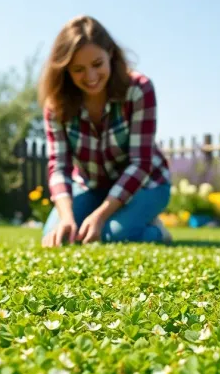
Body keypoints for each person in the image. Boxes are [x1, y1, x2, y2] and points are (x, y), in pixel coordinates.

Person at [38, 15, 172, 247]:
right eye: (78, 69)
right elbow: (59, 167)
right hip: (91, 186)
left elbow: (140, 163)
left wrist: (100, 216)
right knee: (57, 234)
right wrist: (67, 218)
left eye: (97, 64)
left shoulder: (139, 90)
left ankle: (157, 232)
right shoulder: (56, 105)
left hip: (148, 184)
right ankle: (127, 221)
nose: (90, 77)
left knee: (112, 235)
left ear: (110, 53)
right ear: (65, 70)